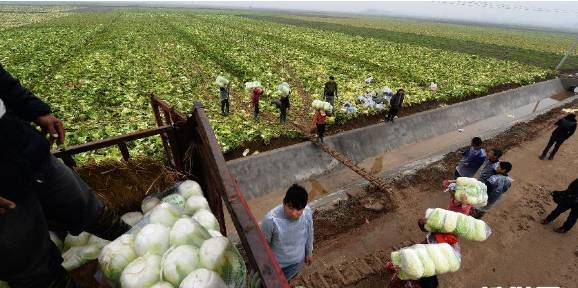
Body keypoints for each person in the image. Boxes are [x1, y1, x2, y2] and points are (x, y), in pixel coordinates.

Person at [0, 64, 130, 287]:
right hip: (4, 196)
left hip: (26, 151)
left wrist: (37, 110)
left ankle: (138, 246)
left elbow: (1, 80)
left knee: (86, 207)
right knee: (33, 267)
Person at [261, 184, 314, 281]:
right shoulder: (271, 221)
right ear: (284, 202)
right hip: (276, 266)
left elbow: (309, 233)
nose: (294, 213)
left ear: (304, 207)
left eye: (298, 209)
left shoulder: (307, 213)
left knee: (286, 281)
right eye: (290, 207)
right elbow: (264, 246)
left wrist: (309, 252)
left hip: (296, 264)